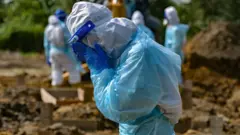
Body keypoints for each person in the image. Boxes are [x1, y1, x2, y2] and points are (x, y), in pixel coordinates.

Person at [67, 2, 182, 135]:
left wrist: (100, 72)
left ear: (95, 33)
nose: (87, 48)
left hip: (151, 128)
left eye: (85, 41)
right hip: (139, 127)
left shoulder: (139, 53)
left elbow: (117, 108)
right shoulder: (121, 50)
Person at [43, 13, 81, 87]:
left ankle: (56, 88)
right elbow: (70, 41)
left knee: (56, 70)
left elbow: (46, 44)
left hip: (52, 53)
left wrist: (47, 57)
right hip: (63, 52)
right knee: (73, 70)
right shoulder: (63, 26)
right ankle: (75, 89)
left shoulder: (48, 28)